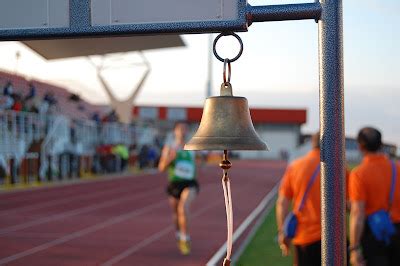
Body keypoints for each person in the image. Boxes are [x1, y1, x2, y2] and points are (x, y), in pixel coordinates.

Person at [349, 127, 400, 266]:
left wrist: (354, 248)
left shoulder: (359, 174)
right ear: (381, 145)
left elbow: (357, 213)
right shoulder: (397, 168)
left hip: (374, 233)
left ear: (360, 146)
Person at [276, 132, 322, 266]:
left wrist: (282, 232)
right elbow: (351, 205)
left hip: (304, 237)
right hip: (334, 238)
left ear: (312, 144)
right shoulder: (339, 168)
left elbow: (282, 202)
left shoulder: (296, 166)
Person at [158, 121, 199, 255]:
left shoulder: (191, 147)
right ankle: (178, 233)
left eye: (185, 129)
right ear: (175, 131)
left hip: (189, 183)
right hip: (174, 184)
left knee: (183, 207)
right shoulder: (169, 148)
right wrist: (171, 158)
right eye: (180, 129)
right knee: (176, 214)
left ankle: (185, 238)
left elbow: (195, 165)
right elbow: (161, 168)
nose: (182, 131)